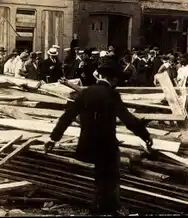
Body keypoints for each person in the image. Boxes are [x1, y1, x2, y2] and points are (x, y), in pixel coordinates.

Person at [44, 56, 153, 215]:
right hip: (106, 146)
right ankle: (108, 209)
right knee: (111, 178)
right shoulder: (112, 95)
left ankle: (100, 208)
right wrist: (145, 135)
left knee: (99, 180)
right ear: (114, 79)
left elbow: (67, 117)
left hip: (87, 145)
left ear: (100, 76)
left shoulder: (85, 93)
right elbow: (128, 119)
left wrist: (53, 139)